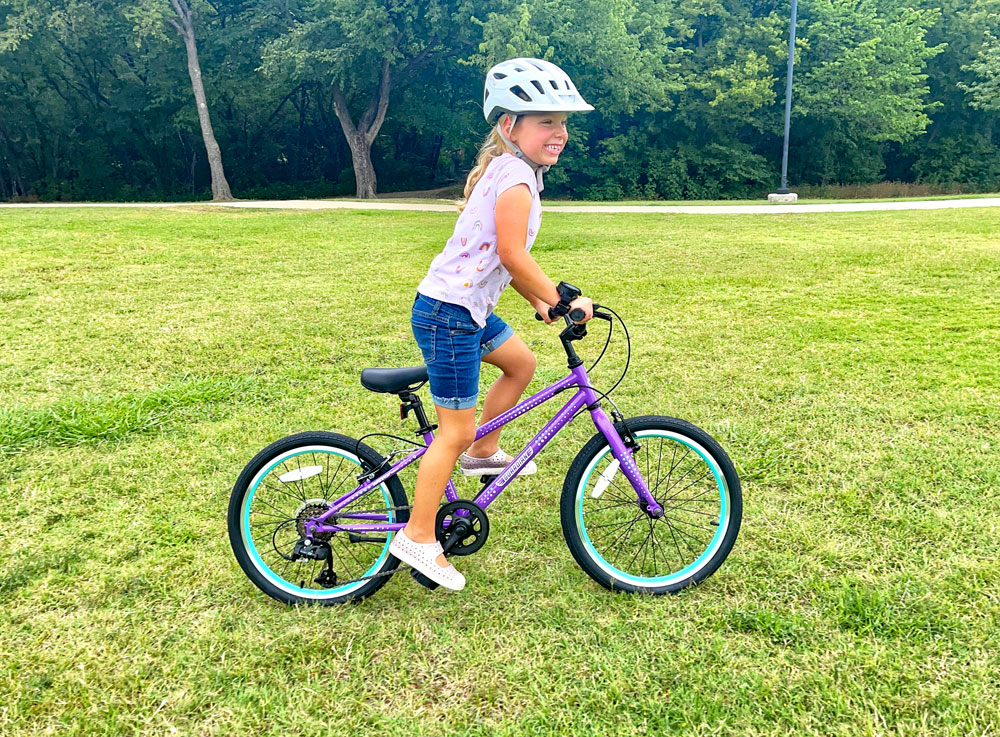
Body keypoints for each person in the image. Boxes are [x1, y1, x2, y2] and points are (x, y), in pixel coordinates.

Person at [387, 58, 595, 591]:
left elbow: (504, 261)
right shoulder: (517, 177)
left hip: (461, 307)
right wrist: (562, 297)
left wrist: (542, 305)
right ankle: (417, 536)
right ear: (510, 126)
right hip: (449, 314)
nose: (560, 132)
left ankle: (486, 453)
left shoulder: (513, 172)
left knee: (521, 363)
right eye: (545, 121)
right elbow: (511, 251)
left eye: (563, 122)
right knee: (452, 431)